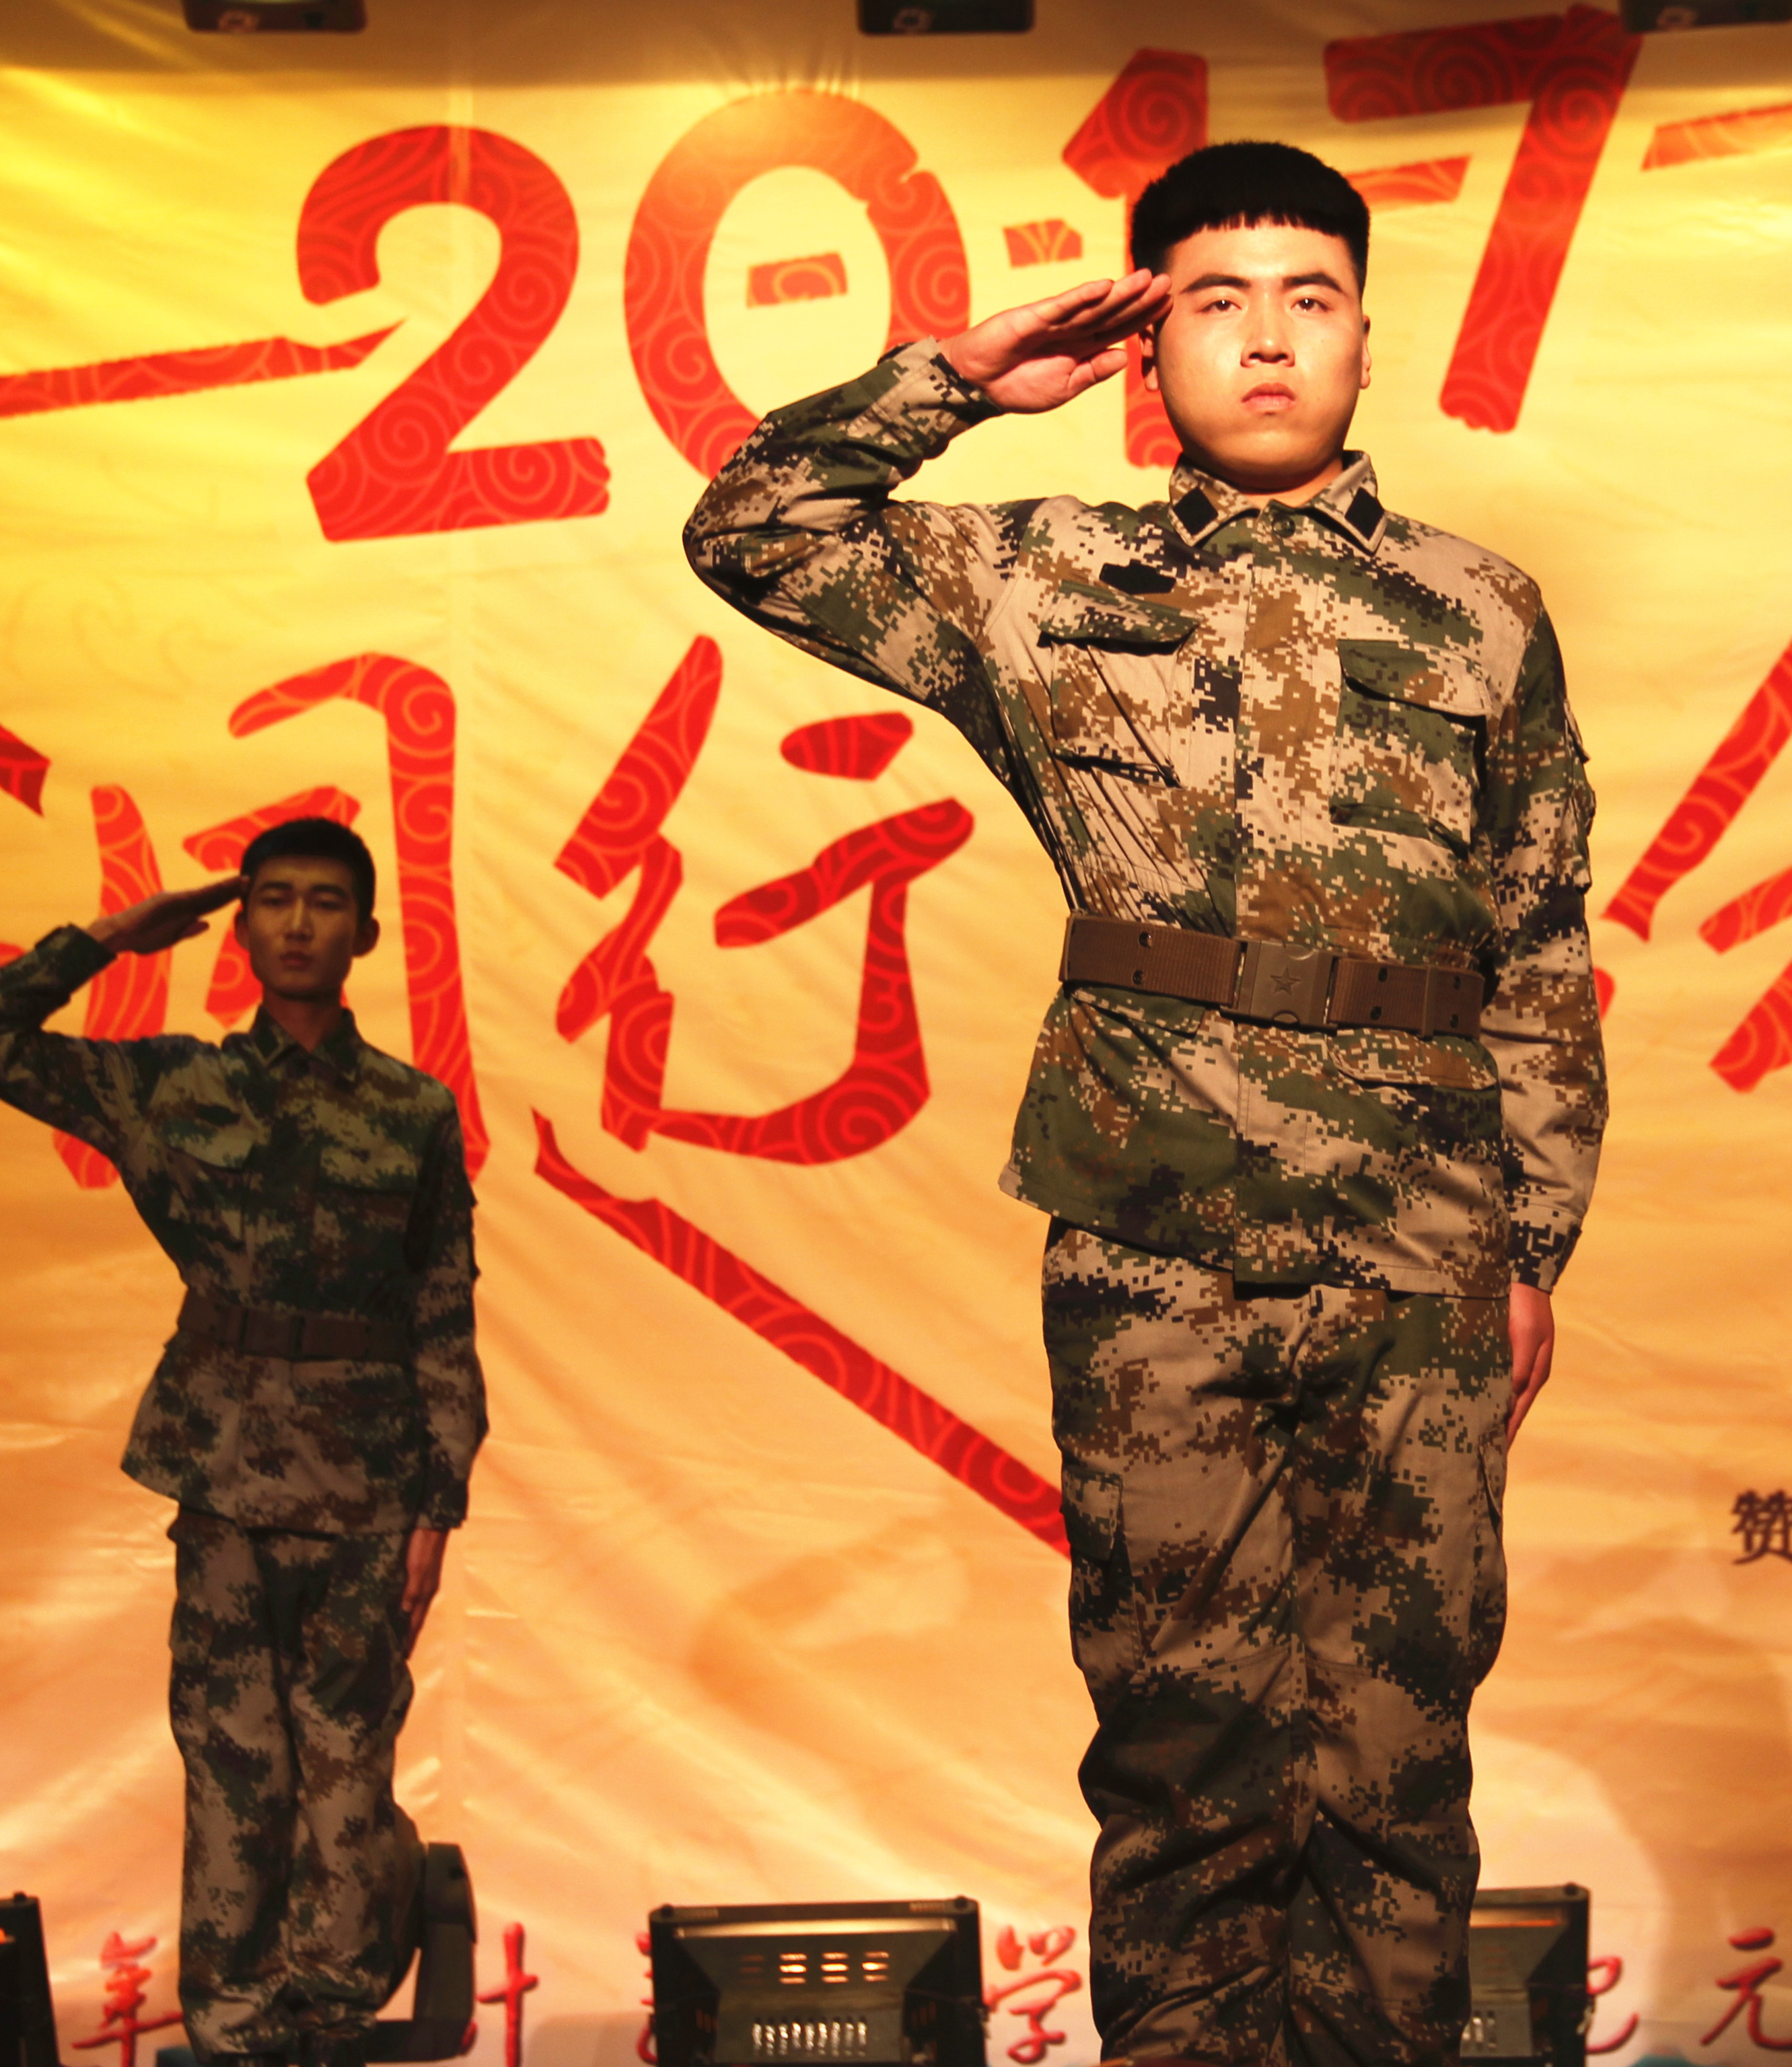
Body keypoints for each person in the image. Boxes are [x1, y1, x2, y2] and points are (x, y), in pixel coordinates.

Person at [684, 139, 1606, 2067]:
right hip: (1155, 1237)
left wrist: (1533, 1247)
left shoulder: (1483, 608)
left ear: (1366, 338)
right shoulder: (1039, 574)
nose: (1268, 341)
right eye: (1216, 301)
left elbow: (1536, 942)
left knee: (1397, 1752)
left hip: (1421, 1240)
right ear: (1146, 342)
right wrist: (955, 378)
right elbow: (755, 528)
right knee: (1181, 1745)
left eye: (1310, 300)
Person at [0, 819, 482, 2067]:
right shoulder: (173, 1088)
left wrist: (439, 1507)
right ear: (238, 930)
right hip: (225, 1470)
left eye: (326, 902)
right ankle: (233, 2025)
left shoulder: (413, 1112)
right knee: (233, 1756)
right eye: (273, 900)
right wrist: (108, 939)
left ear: (366, 934)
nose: (298, 923)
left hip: (368, 1482)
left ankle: (331, 2014)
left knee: (347, 1759)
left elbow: (443, 1312)